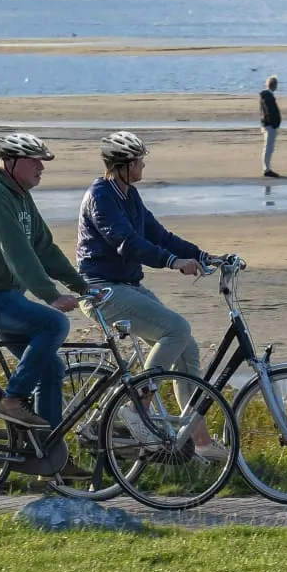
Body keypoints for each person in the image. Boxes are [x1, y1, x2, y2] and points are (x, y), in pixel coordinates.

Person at [76, 130, 230, 461]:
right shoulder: (101, 196)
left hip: (126, 287)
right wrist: (173, 263)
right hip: (102, 291)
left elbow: (160, 235)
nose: (143, 164)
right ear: (124, 165)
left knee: (185, 346)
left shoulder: (128, 196)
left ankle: (199, 440)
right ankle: (136, 406)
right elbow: (127, 243)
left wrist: (205, 257)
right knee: (175, 328)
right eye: (139, 160)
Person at [0, 133, 91, 479]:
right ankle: (12, 401)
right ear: (10, 163)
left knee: (52, 367)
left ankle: (49, 457)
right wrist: (51, 296)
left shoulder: (21, 197)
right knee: (54, 325)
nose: (41, 167)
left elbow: (44, 248)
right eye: (34, 161)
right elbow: (18, 254)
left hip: (3, 295)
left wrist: (81, 286)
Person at [259, 75, 282, 178]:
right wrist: (273, 124)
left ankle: (267, 168)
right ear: (274, 85)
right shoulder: (268, 97)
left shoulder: (267, 96)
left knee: (269, 147)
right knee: (268, 147)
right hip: (270, 125)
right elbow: (269, 112)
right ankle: (266, 169)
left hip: (268, 125)